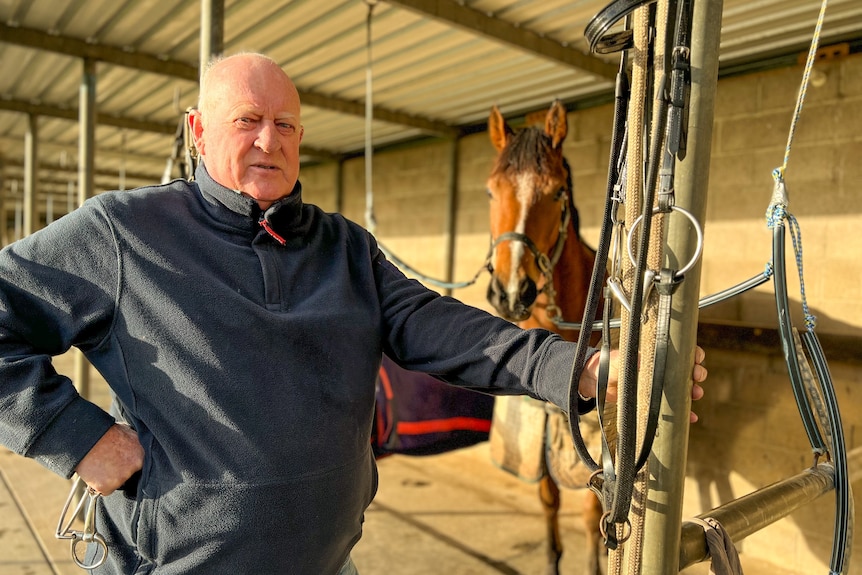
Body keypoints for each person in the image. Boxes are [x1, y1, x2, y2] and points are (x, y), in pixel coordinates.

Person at [0, 52, 706, 574]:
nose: (268, 140)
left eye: (285, 124)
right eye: (247, 121)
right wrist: (74, 433)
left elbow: (447, 328)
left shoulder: (343, 248)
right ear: (198, 129)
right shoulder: (124, 232)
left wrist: (587, 366)